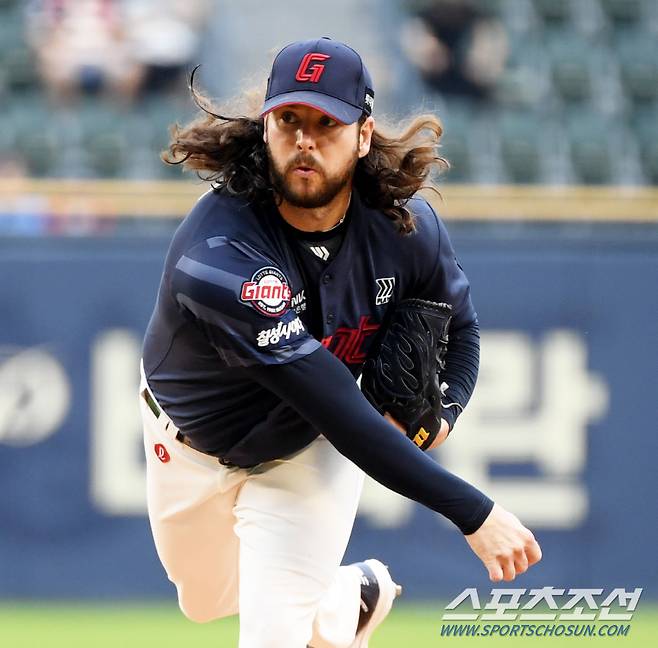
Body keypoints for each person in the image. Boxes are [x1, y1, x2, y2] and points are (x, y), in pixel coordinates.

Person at [139, 37, 542, 648]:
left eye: (328, 123)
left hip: (308, 451)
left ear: (362, 135)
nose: (306, 139)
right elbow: (339, 403)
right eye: (290, 120)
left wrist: (443, 417)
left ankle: (313, 607)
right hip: (190, 448)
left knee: (271, 636)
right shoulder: (219, 254)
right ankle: (346, 600)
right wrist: (474, 512)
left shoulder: (405, 229)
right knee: (205, 602)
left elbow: (462, 330)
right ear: (265, 129)